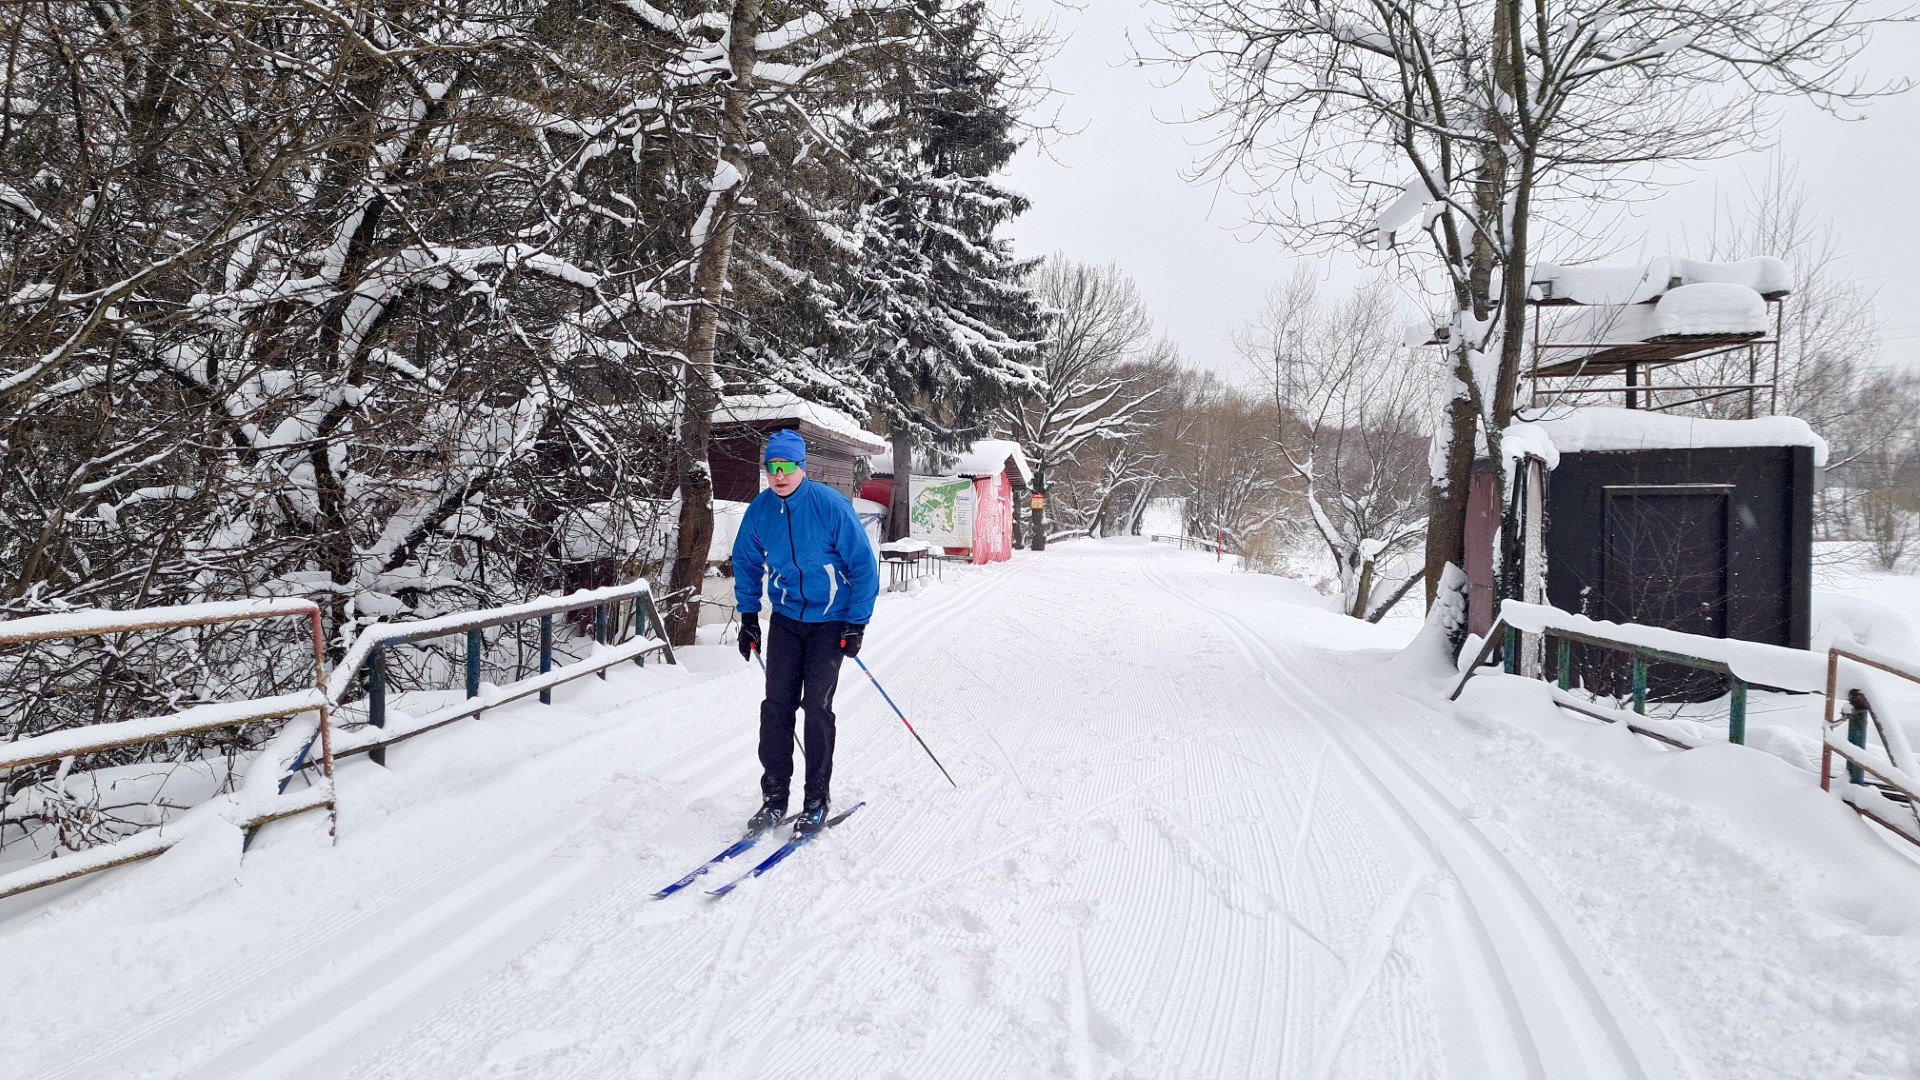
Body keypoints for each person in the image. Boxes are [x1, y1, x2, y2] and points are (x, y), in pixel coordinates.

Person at [731, 429, 880, 835]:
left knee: (816, 706)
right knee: (776, 706)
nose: (778, 476)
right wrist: (747, 617)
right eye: (771, 468)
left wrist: (856, 621)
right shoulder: (760, 511)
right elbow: (745, 562)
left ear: (802, 468)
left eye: (786, 467)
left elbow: (864, 567)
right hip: (786, 619)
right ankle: (774, 797)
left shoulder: (829, 506)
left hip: (830, 620)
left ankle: (817, 798)